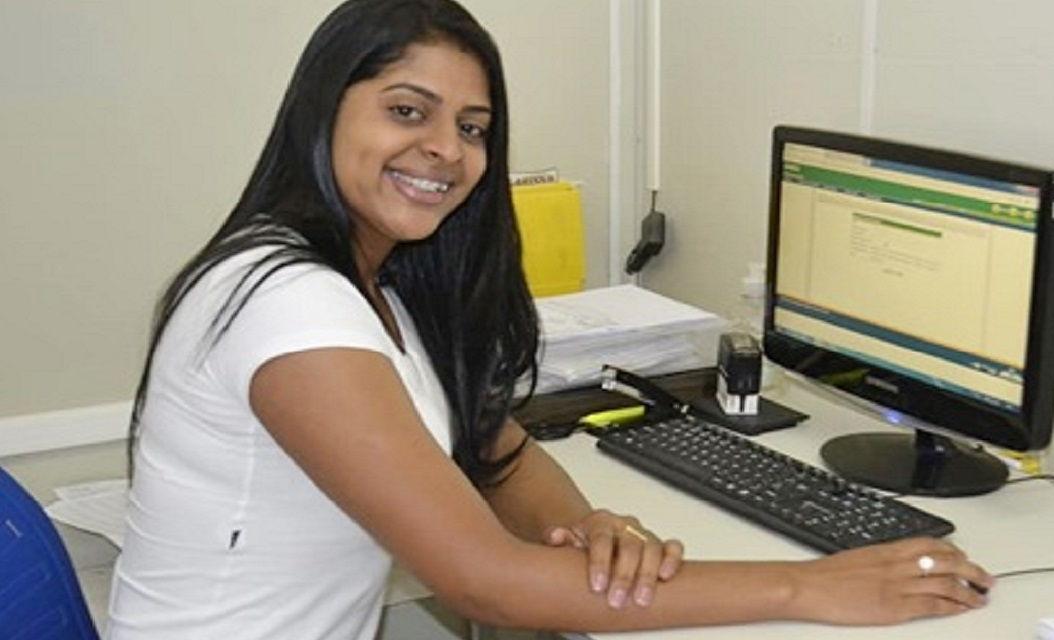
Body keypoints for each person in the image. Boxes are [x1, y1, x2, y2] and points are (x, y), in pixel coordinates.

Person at [106, 1, 993, 637]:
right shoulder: (285, 301)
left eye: (474, 127)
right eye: (407, 111)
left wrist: (587, 528)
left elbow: (495, 449)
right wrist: (810, 589)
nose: (447, 150)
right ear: (323, 111)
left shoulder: (382, 286)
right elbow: (487, 585)